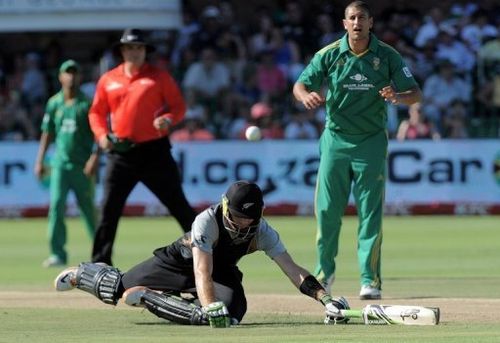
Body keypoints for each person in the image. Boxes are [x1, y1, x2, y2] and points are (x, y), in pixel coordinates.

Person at [53, 181, 350, 327]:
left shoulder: (264, 232)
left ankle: (148, 298)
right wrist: (209, 305)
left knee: (229, 318)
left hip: (222, 270)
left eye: (250, 219)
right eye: (238, 217)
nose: (243, 224)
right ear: (225, 208)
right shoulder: (207, 221)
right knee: (116, 288)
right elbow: (200, 272)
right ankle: (84, 275)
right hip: (181, 260)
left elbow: (291, 268)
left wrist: (324, 298)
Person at [292, 1, 422, 300]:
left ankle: (370, 280)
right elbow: (300, 84)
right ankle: (324, 273)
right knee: (326, 212)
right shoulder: (329, 54)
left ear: (371, 22)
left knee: (370, 213)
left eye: (362, 17)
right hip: (335, 140)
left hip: (371, 142)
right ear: (344, 23)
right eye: (352, 18)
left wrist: (397, 97)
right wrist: (306, 96)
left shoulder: (388, 55)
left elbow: (415, 94)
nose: (357, 22)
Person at [89, 28, 196, 265]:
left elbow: (178, 107)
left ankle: (209, 254)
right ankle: (99, 265)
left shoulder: (159, 77)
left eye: (139, 48)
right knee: (108, 211)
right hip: (121, 153)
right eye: (130, 48)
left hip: (154, 151)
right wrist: (101, 135)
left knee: (179, 206)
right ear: (122, 51)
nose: (135, 52)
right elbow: (96, 113)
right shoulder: (108, 79)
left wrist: (168, 119)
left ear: (145, 51)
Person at [34, 60, 98, 267]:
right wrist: (40, 160)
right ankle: (57, 254)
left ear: (79, 77)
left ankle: (100, 252)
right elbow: (47, 132)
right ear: (61, 77)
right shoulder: (54, 103)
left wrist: (94, 158)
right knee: (56, 206)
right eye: (67, 73)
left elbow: (98, 134)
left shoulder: (86, 104)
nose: (71, 77)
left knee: (88, 209)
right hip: (60, 165)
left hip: (82, 166)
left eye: (74, 73)